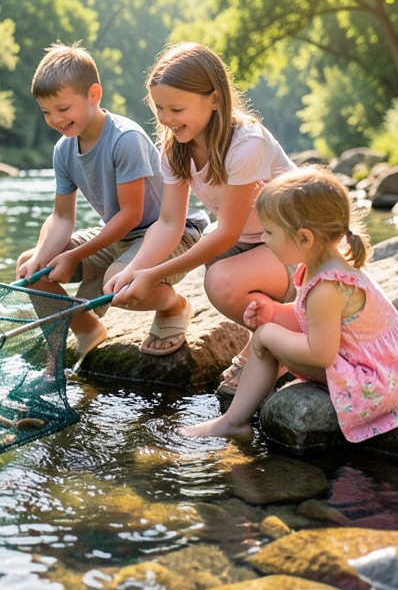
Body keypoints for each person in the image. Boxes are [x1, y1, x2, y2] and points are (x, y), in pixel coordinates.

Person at [178, 167, 398, 440]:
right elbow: (321, 319)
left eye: (269, 232)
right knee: (270, 331)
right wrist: (276, 312)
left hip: (374, 387)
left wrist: (268, 334)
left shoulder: (327, 287)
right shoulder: (325, 264)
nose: (263, 240)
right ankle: (236, 417)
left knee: (266, 339)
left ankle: (234, 421)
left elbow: (321, 354)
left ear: (304, 238)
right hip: (383, 373)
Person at [105, 42, 295, 363]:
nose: (165, 119)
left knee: (219, 281)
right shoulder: (175, 149)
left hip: (295, 246)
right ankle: (267, 333)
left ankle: (283, 333)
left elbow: (228, 233)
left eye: (176, 110)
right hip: (252, 245)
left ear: (215, 100)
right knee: (128, 276)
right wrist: (134, 270)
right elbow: (168, 223)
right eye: (158, 108)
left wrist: (153, 275)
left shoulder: (247, 143)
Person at [16, 43, 207, 360]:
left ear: (93, 94)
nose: (55, 119)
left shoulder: (124, 139)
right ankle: (87, 328)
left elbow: (132, 215)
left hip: (169, 232)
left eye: (63, 109)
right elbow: (62, 217)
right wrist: (42, 256)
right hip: (121, 236)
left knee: (117, 286)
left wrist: (75, 255)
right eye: (47, 112)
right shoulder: (63, 150)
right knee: (29, 269)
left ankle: (175, 305)